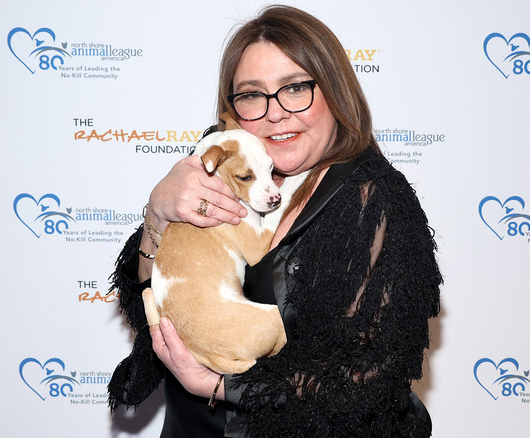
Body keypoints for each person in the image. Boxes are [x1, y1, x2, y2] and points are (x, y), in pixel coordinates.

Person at [108, 5, 442, 437]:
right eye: (251, 95)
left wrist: (219, 385)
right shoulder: (225, 161)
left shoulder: (374, 199)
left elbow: (369, 377)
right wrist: (157, 214)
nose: (274, 113)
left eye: (295, 87)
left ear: (335, 90)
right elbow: (148, 305)